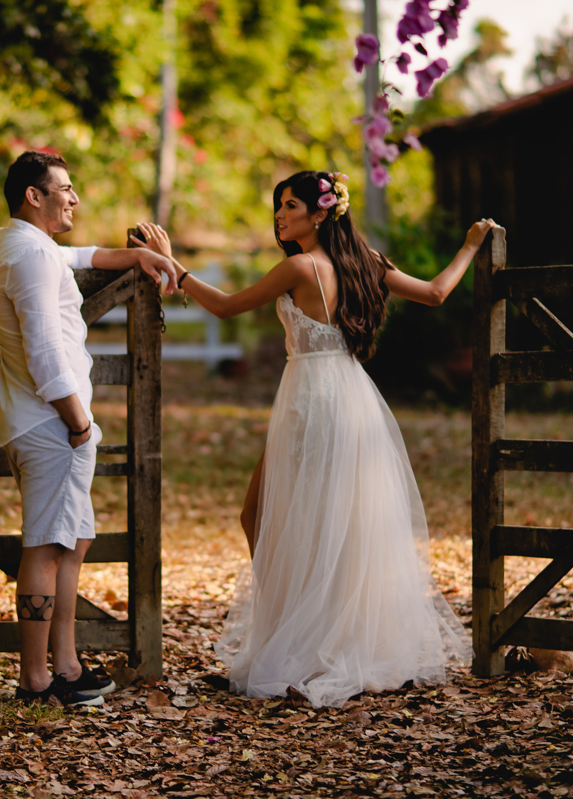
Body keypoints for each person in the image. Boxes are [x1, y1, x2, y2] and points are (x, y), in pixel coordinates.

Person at [135, 170, 494, 707]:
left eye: (291, 205)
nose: (280, 215)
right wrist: (469, 247)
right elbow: (438, 292)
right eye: (278, 204)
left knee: (272, 517)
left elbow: (229, 305)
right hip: (351, 396)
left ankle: (302, 638)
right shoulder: (366, 263)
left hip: (313, 400)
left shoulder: (299, 266)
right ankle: (311, 631)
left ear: (321, 212)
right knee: (324, 521)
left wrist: (175, 268)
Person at [0, 150, 177, 706]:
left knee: (73, 540)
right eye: (64, 189)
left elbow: (80, 254)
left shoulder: (19, 245)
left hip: (43, 423)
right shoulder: (31, 258)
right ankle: (37, 679)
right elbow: (45, 351)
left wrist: (139, 257)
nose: (74, 198)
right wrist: (79, 422)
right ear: (33, 195)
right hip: (53, 424)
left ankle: (65, 666)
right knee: (46, 547)